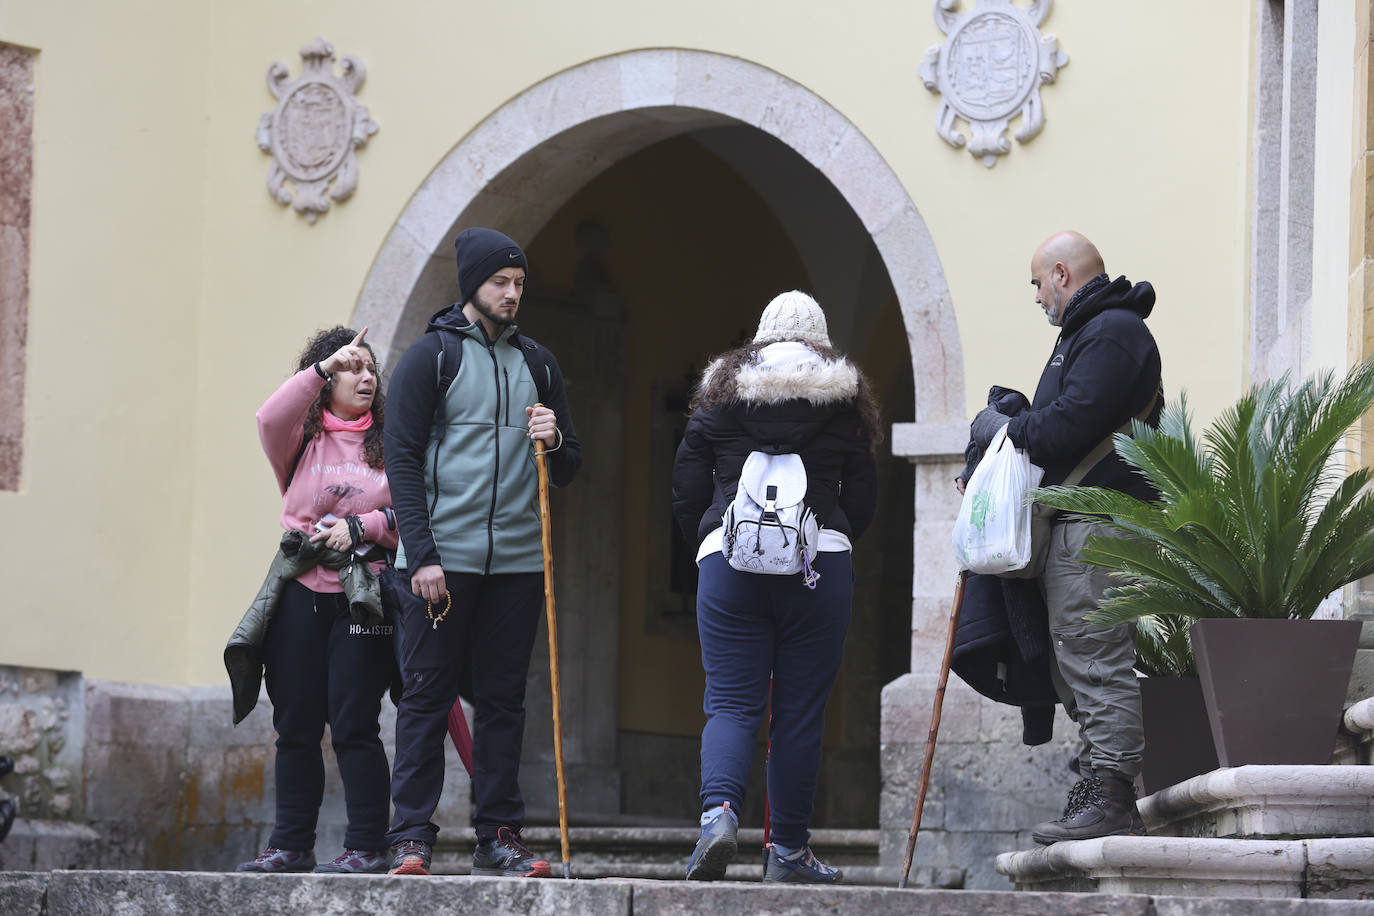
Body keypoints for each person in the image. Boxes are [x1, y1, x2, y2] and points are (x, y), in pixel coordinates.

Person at [382, 227, 581, 877]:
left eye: (519, 283)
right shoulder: (429, 358)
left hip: (519, 563)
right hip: (442, 559)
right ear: (473, 283)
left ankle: (500, 835)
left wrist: (553, 440)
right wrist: (424, 553)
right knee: (426, 696)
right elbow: (401, 462)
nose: (511, 293)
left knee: (502, 701)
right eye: (500, 282)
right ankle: (411, 835)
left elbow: (573, 466)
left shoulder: (541, 364)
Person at [671, 291, 879, 883]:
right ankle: (786, 852)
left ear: (758, 338)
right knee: (798, 714)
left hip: (728, 564)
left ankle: (718, 816)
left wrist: (711, 542)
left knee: (732, 703)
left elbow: (687, 484)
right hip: (819, 566)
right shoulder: (845, 397)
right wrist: (836, 536)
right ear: (820, 339)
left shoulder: (720, 390)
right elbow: (861, 495)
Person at [966, 231, 1161, 843]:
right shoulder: (1094, 333)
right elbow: (1069, 419)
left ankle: (1110, 797)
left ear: (1061, 274)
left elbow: (1063, 431)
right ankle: (1099, 787)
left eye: (1036, 284)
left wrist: (1007, 424)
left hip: (1096, 529)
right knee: (1078, 663)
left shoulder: (1111, 333)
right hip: (1082, 527)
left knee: (1095, 661)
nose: (1036, 298)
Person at [235, 326, 399, 874]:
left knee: (355, 722)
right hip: (300, 592)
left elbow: (421, 518)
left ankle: (369, 846)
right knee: (297, 724)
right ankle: (290, 844)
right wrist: (323, 367)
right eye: (351, 367)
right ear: (326, 379)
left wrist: (365, 525)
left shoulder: (396, 443)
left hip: (363, 596)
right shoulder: (298, 441)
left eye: (370, 368)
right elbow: (266, 417)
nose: (365, 376)